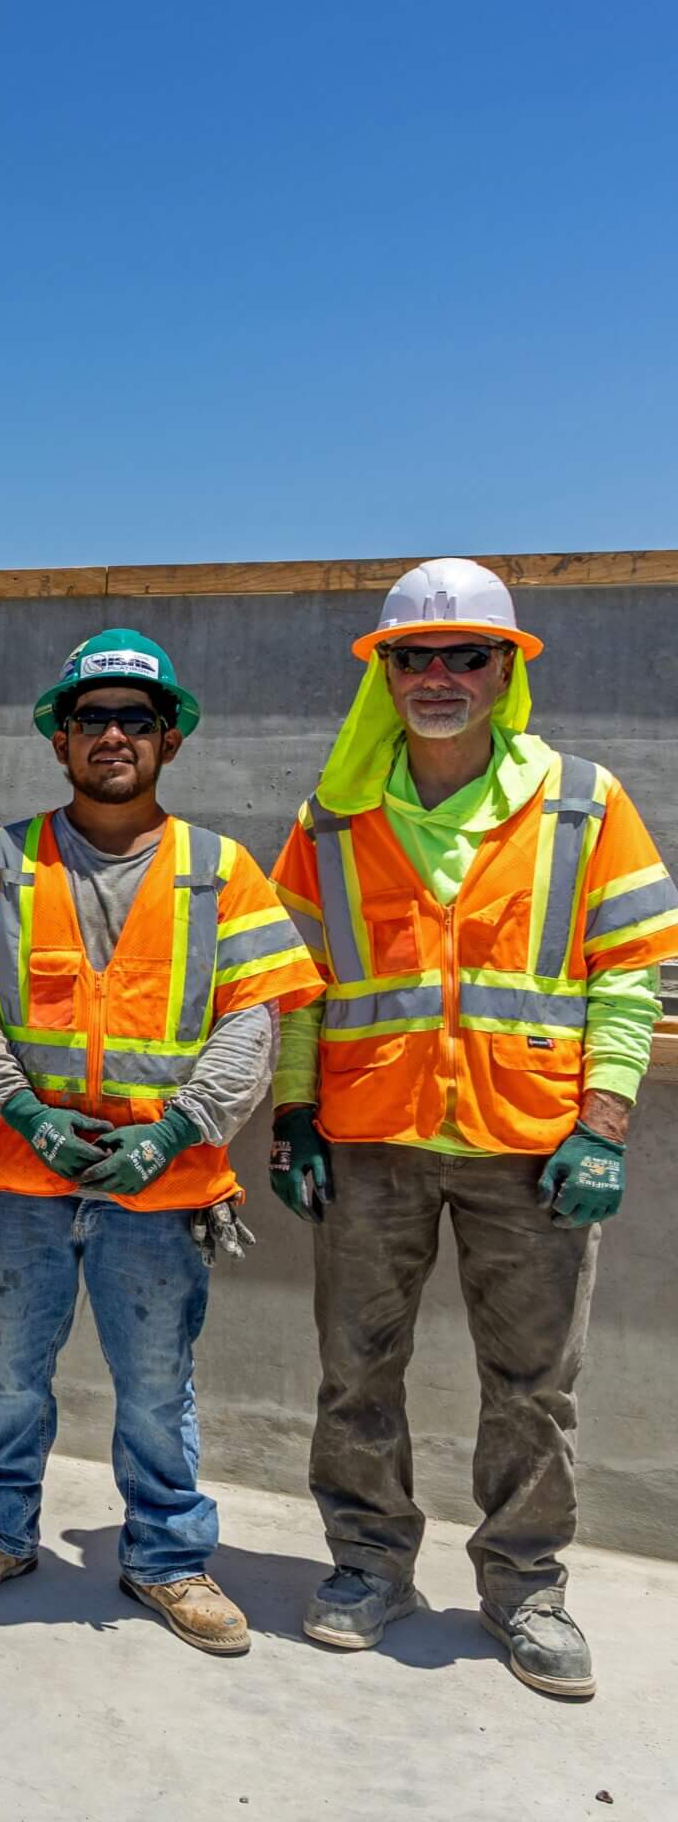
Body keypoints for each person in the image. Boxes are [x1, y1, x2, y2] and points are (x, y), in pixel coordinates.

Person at [268, 559, 678, 1699]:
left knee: (534, 1387)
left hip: (532, 1146)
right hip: (370, 1139)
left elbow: (628, 974)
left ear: (506, 671)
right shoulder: (332, 818)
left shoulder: (582, 803)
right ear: (384, 674)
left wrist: (603, 1124)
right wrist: (293, 1114)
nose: (439, 674)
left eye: (467, 655)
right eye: (415, 657)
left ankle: (525, 1589)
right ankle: (367, 1564)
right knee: (355, 1371)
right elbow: (297, 985)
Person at [0, 629, 321, 1652]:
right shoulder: (2, 861)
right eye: (89, 717)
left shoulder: (220, 872)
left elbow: (251, 1024)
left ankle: (168, 1559)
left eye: (136, 718)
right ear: (59, 738)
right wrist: (26, 1114)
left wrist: (173, 1132)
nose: (112, 735)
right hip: (22, 1179)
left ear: (169, 739)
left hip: (162, 1187)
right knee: (10, 1373)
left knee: (154, 1388)